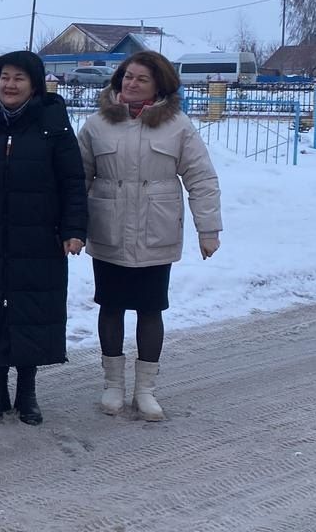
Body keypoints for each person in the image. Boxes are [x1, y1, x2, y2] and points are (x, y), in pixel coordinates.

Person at [0, 50, 87, 426]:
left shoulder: (52, 123)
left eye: (19, 78)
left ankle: (27, 392)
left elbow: (73, 182)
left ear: (34, 84)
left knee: (30, 311)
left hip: (39, 237)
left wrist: (74, 230)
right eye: (5, 76)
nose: (10, 84)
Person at [77, 51, 221, 421]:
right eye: (127, 77)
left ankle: (146, 390)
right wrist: (72, 229)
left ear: (159, 84)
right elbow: (78, 178)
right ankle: (113, 385)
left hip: (154, 230)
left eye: (141, 79)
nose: (131, 84)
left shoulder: (178, 126)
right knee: (109, 306)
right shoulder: (97, 125)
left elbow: (201, 178)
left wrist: (208, 229)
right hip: (109, 227)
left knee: (150, 308)